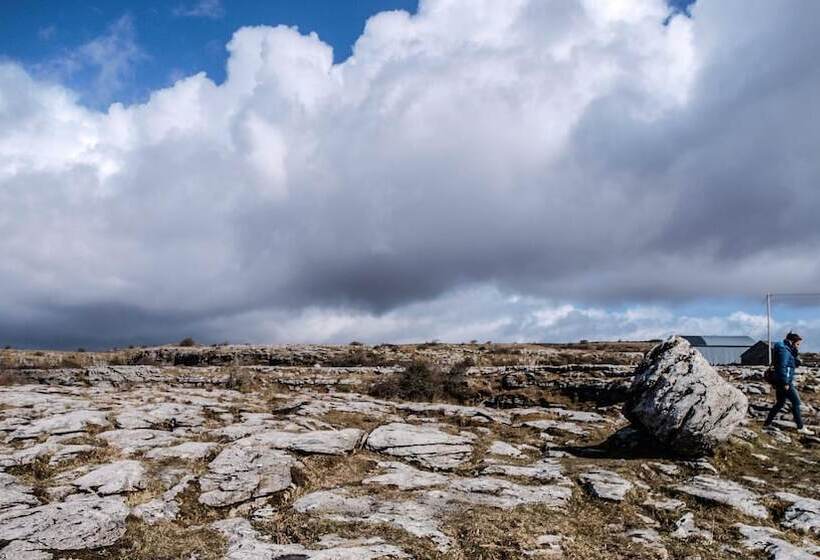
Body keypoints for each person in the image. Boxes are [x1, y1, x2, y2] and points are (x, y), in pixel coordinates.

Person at [764, 332, 814, 435]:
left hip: (780, 380)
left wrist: (796, 359)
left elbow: (788, 363)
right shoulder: (784, 351)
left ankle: (766, 424)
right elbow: (783, 367)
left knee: (780, 403)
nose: (798, 346)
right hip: (784, 381)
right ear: (792, 341)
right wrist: (785, 382)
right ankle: (800, 427)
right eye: (798, 344)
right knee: (796, 402)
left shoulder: (786, 349)